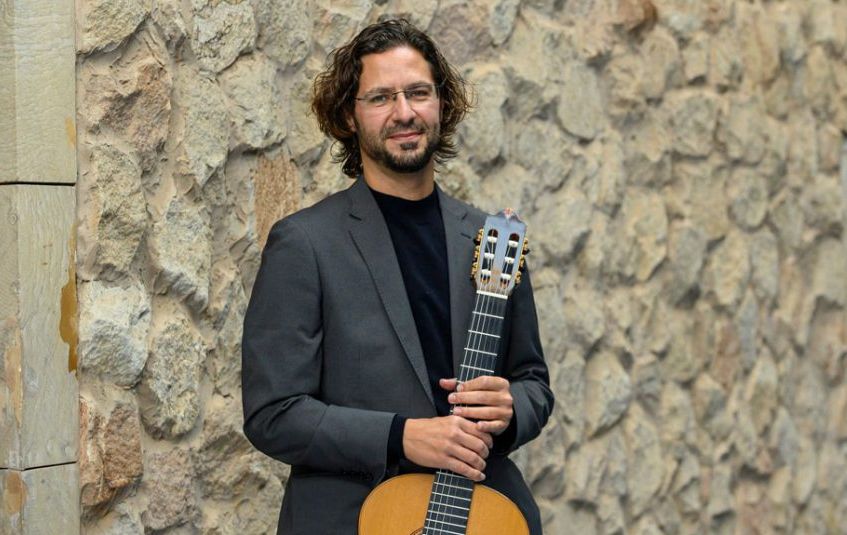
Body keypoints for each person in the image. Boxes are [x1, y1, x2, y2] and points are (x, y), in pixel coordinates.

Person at [241, 19, 554, 535]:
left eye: (418, 93)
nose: (404, 112)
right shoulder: (306, 243)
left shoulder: (491, 238)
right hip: (352, 519)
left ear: (442, 105)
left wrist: (511, 407)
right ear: (349, 115)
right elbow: (274, 414)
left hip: (483, 515)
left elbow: (534, 383)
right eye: (381, 97)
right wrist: (402, 436)